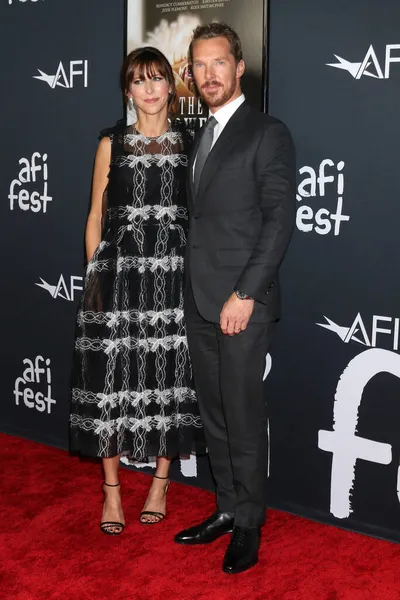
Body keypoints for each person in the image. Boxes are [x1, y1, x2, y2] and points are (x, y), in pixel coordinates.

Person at [175, 23, 296, 574]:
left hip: (240, 303)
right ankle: (226, 508)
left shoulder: (266, 132)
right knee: (215, 414)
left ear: (239, 65)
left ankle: (249, 524)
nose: (208, 75)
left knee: (243, 415)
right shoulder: (200, 133)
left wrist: (246, 292)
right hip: (199, 300)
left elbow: (277, 221)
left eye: (218, 62)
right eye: (198, 65)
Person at [70, 46, 204, 535]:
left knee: (170, 377)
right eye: (138, 81)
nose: (149, 89)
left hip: (173, 277)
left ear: (171, 87)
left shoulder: (193, 142)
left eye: (157, 79)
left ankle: (159, 483)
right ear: (128, 91)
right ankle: (110, 490)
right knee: (108, 382)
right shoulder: (112, 142)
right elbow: (94, 215)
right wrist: (94, 277)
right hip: (118, 275)